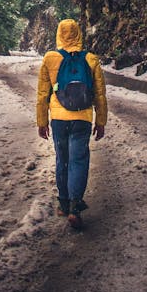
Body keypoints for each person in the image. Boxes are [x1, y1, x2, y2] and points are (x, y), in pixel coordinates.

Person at [36, 18, 107, 229]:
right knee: (79, 160)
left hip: (58, 119)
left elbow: (42, 95)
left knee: (62, 160)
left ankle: (63, 204)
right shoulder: (92, 59)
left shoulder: (50, 59)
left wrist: (42, 121)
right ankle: (75, 207)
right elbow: (100, 95)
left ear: (58, 34)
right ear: (79, 34)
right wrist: (100, 121)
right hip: (82, 119)